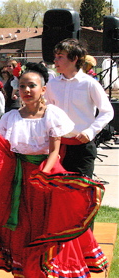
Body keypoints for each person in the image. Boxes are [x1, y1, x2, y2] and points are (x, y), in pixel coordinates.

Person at [0, 63, 108, 278]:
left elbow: (54, 151)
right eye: (22, 86)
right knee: (23, 228)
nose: (27, 90)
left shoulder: (52, 114)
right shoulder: (11, 117)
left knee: (47, 227)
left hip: (45, 176)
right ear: (16, 91)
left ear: (43, 89)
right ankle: (29, 277)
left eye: (32, 85)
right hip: (20, 178)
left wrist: (43, 175)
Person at [45, 39, 114, 179]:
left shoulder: (89, 84)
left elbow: (107, 111)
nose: (55, 60)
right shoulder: (52, 84)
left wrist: (90, 131)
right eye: (55, 56)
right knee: (58, 192)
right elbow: (46, 111)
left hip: (82, 147)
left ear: (74, 59)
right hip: (57, 147)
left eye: (60, 56)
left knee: (81, 191)